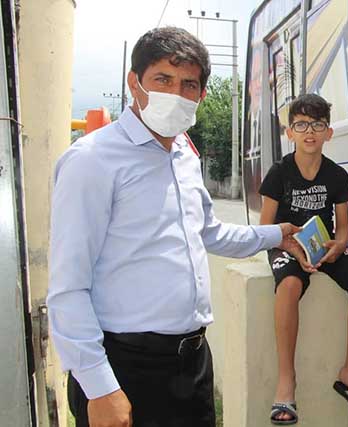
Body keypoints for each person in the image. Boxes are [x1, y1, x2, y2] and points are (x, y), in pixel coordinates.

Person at [47, 27, 300, 427]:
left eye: (189, 85)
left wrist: (277, 235)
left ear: (201, 95)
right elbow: (67, 287)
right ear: (134, 83)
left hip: (192, 364)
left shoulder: (183, 154)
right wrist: (99, 386)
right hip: (125, 367)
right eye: (163, 79)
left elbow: (209, 232)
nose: (176, 93)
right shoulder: (92, 161)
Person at [259, 93, 348, 424]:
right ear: (289, 132)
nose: (309, 131)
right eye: (301, 125)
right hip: (285, 245)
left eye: (317, 124)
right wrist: (291, 247)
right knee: (290, 285)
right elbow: (265, 228)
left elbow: (344, 228)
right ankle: (286, 381)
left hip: (324, 247)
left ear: (329, 132)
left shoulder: (336, 175)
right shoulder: (279, 173)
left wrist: (339, 245)